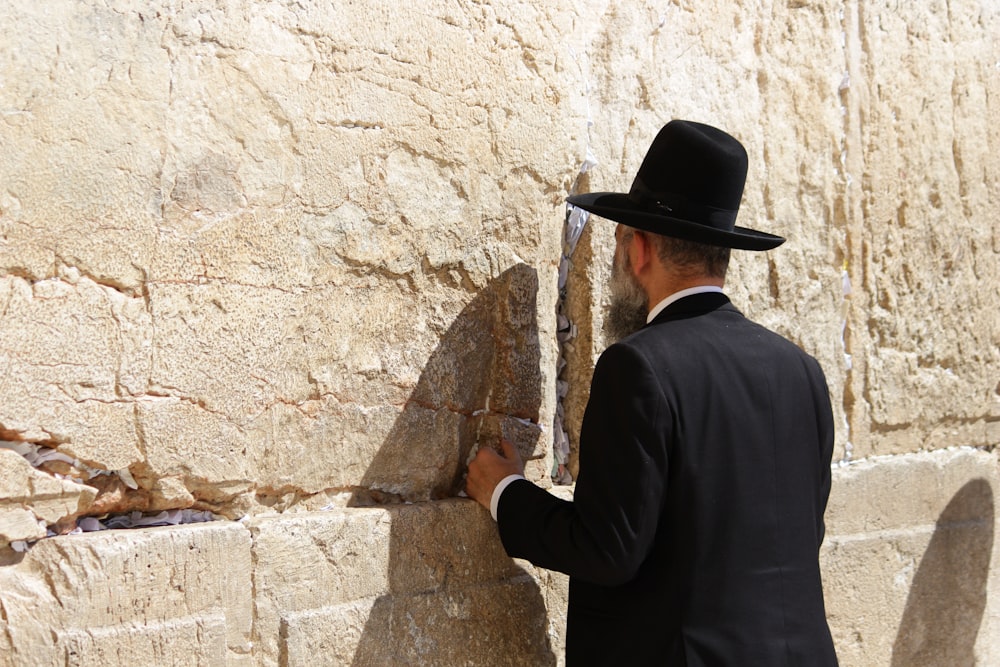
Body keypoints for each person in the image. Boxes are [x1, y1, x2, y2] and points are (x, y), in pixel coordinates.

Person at [466, 120, 838, 665]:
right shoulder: (802, 372)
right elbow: (799, 532)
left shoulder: (638, 368)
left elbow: (608, 549)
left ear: (639, 249)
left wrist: (505, 492)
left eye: (620, 243)